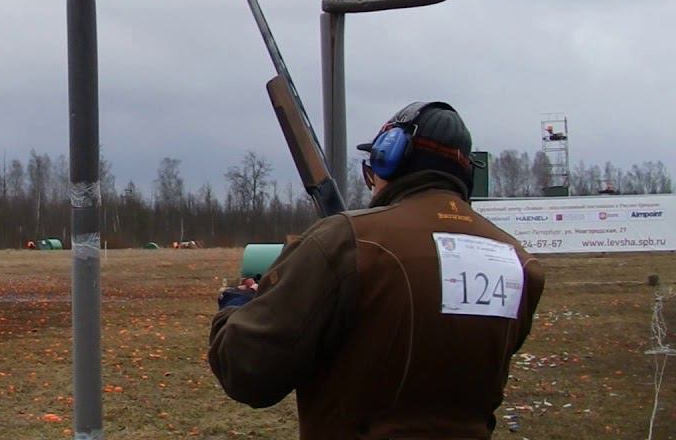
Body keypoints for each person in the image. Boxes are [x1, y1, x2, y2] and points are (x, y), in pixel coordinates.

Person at [208, 101, 544, 439]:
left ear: (390, 155)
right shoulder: (519, 262)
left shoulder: (344, 241)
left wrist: (236, 309)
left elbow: (248, 373)